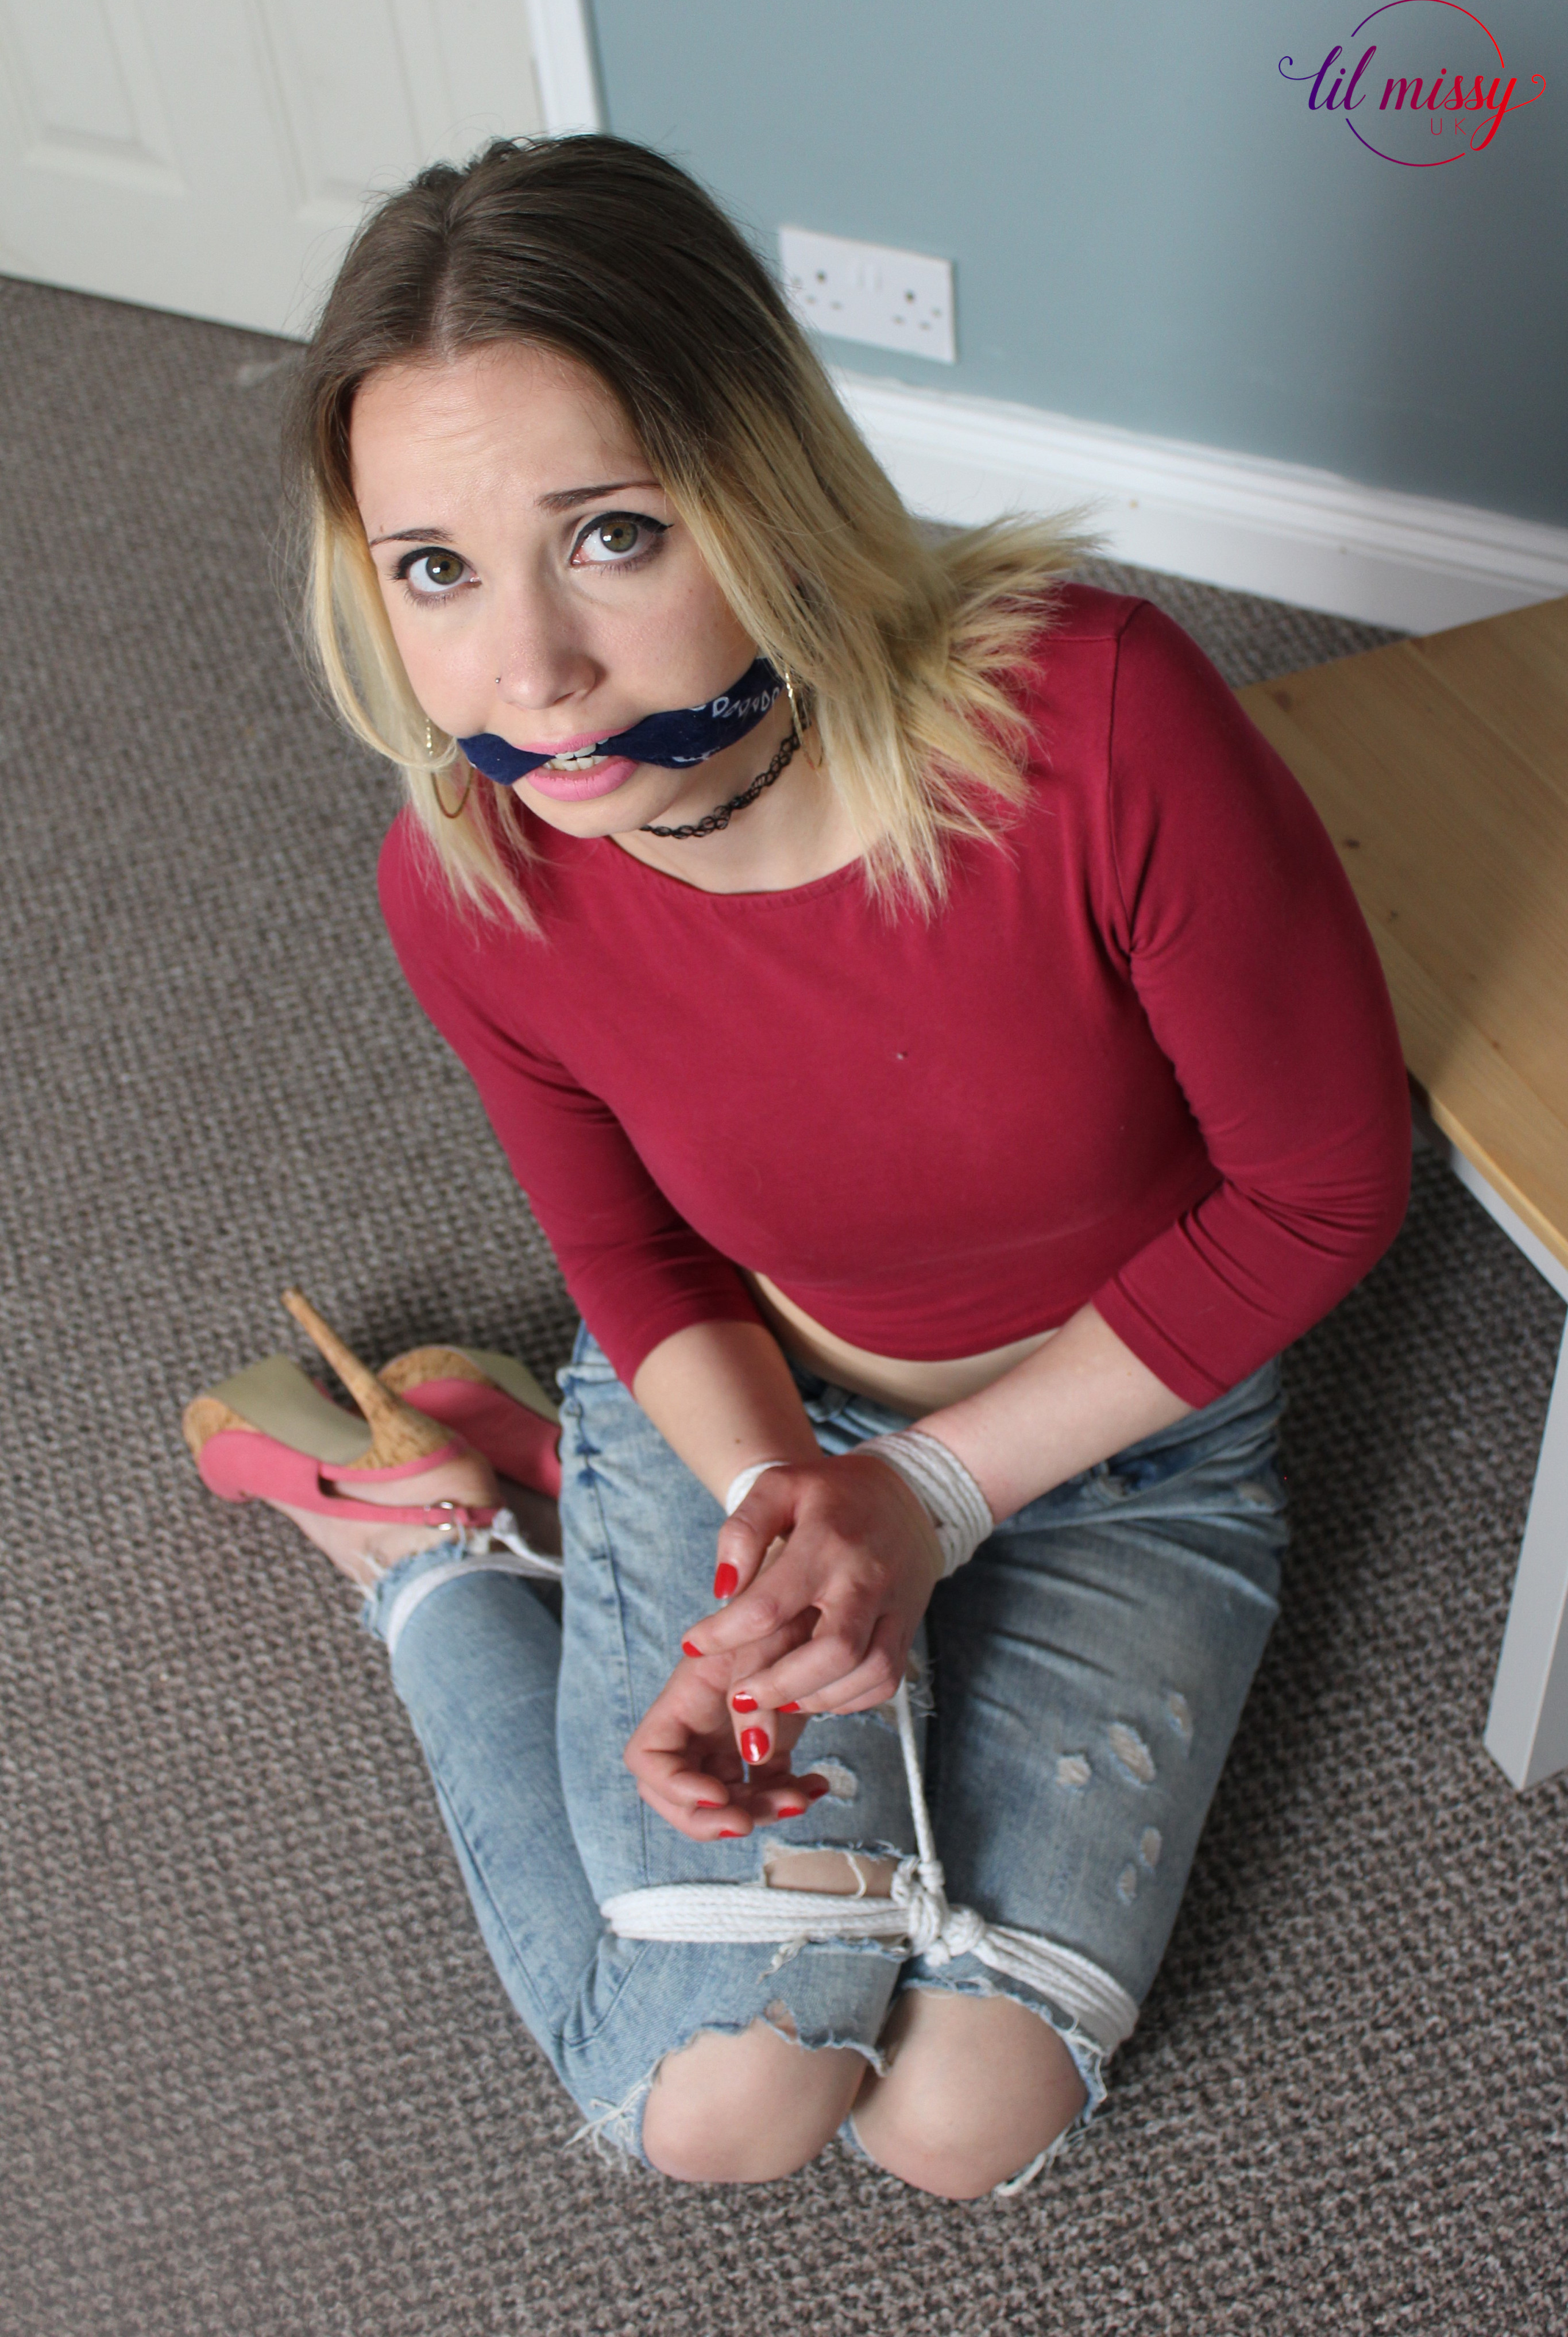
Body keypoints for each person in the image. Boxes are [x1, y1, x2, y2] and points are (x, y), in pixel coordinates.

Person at [193, 133, 1410, 2198]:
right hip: (744, 1418)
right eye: (434, 571)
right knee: (721, 2113)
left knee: (958, 2126)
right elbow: (635, 1257)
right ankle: (429, 1552)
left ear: (762, 487)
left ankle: (485, 1524)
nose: (529, 676)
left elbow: (1319, 1190)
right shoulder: (463, 877)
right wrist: (788, 1516)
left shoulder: (1101, 721)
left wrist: (924, 1503)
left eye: (610, 536)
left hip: (1136, 1430)